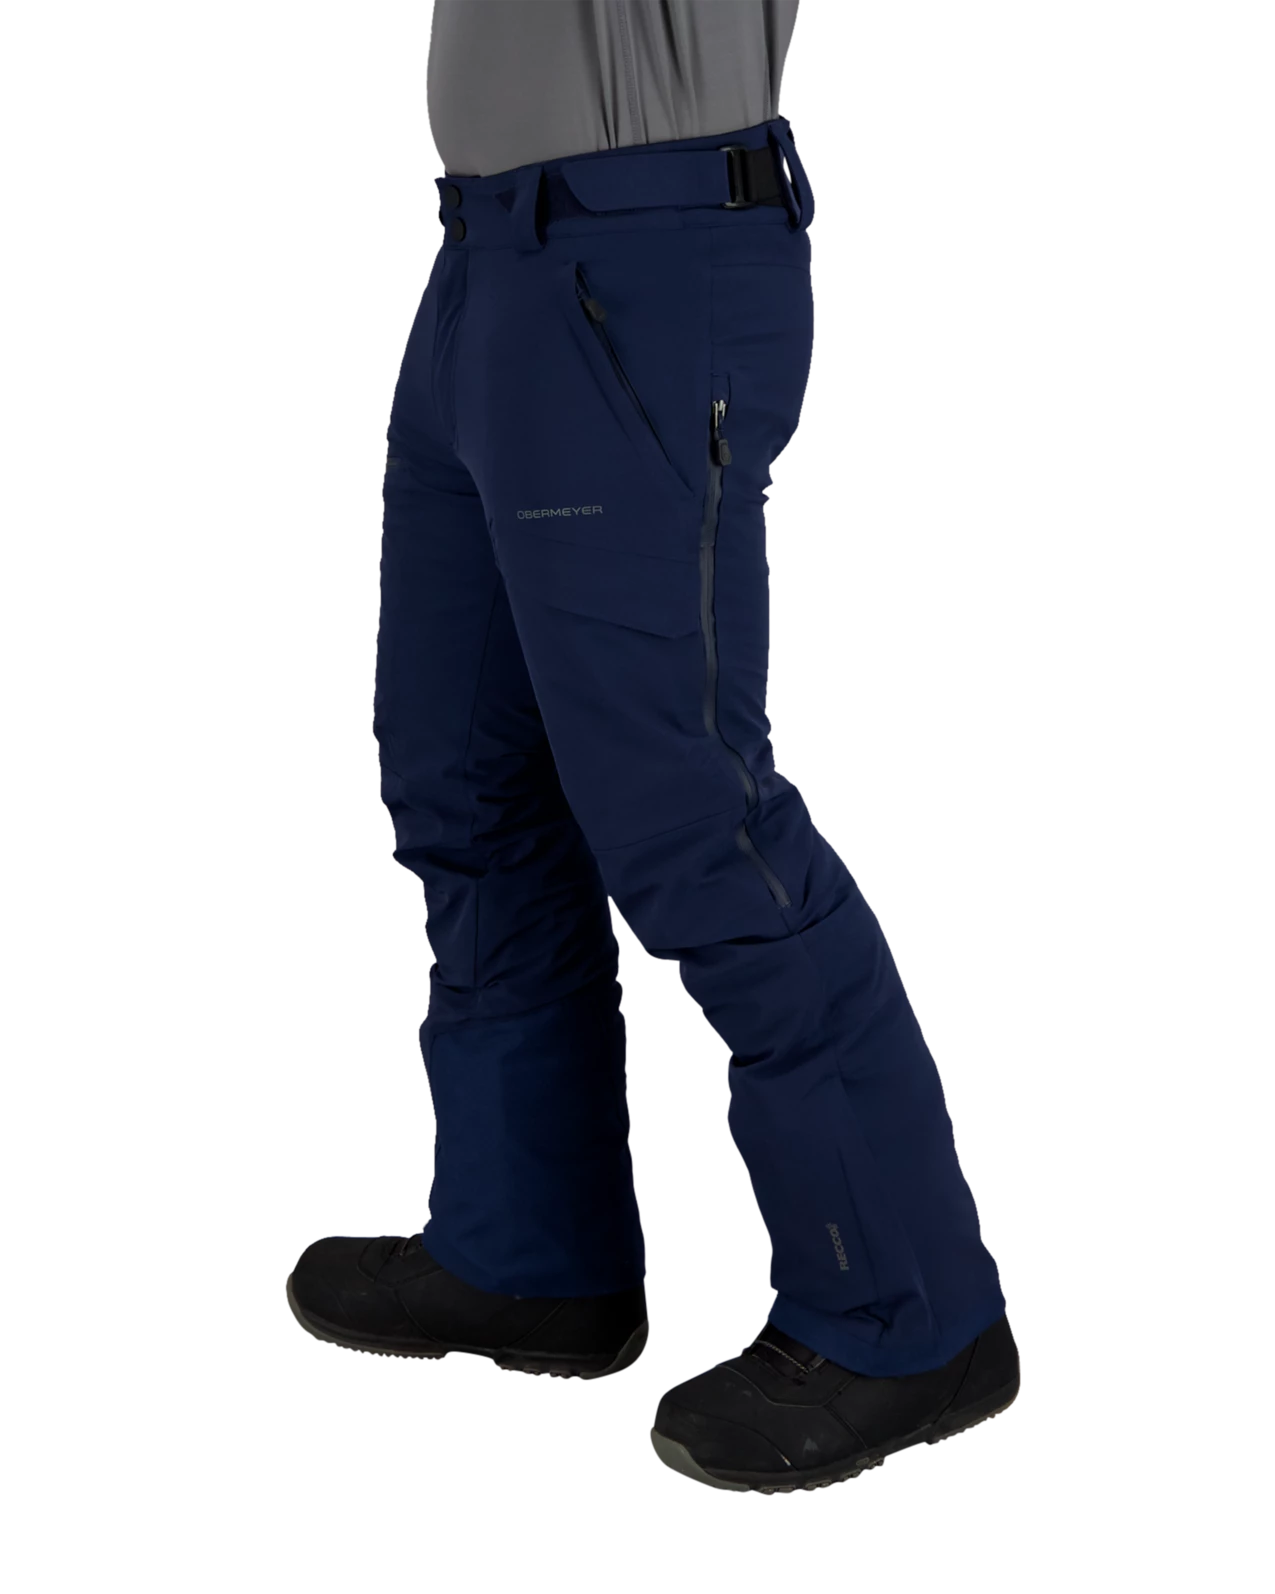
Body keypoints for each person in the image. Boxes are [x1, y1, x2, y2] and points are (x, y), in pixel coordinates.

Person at [285, 0, 1020, 1494]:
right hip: (485, 256)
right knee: (465, 785)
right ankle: (527, 1254)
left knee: (692, 816)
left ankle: (909, 1317)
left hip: (644, 251)